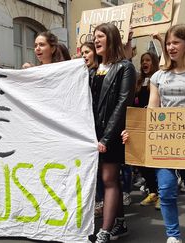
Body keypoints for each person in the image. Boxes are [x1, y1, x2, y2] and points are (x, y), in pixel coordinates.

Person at [123, 24, 185, 243]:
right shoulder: (159, 77)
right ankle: (173, 236)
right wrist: (135, 131)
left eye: (176, 42)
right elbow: (152, 108)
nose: (170, 47)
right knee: (166, 189)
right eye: (168, 43)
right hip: (165, 141)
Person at [91, 23, 136, 243]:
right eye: (94, 37)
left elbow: (123, 103)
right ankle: (120, 222)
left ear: (111, 38)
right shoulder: (93, 69)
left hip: (112, 133)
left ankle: (105, 230)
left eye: (100, 36)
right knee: (109, 179)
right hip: (93, 133)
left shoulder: (125, 67)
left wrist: (107, 137)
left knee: (109, 178)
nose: (96, 40)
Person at [134, 51, 161, 209]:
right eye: (143, 60)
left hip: (153, 124)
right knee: (142, 161)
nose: (144, 63)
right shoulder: (138, 81)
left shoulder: (157, 79)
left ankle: (161, 194)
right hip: (139, 124)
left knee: (154, 160)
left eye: (148, 60)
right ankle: (152, 191)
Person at [81, 41, 104, 217]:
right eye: (82, 53)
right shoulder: (83, 73)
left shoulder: (100, 73)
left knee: (100, 168)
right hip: (85, 125)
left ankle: (101, 201)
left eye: (87, 52)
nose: (84, 55)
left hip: (98, 126)